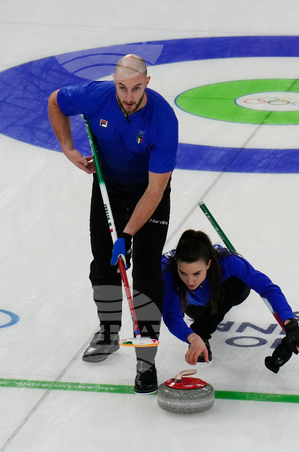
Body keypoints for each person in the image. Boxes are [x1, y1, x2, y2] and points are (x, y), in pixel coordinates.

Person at [48, 54, 178, 394]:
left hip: (149, 196)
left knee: (146, 274)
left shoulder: (163, 121)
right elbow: (56, 101)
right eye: (122, 87)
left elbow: (156, 188)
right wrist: (68, 148)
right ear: (114, 82)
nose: (128, 96)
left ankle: (146, 361)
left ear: (147, 83)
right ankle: (108, 331)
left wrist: (128, 233)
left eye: (136, 88)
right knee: (104, 266)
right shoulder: (96, 95)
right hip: (107, 188)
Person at [161, 229, 299, 371]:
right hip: (195, 308)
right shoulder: (166, 269)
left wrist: (289, 322)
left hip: (228, 294)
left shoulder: (229, 262)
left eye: (197, 273)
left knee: (238, 280)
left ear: (208, 264)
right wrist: (191, 337)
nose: (190, 281)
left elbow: (267, 288)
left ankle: (202, 331)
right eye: (183, 273)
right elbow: (171, 315)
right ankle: (200, 333)